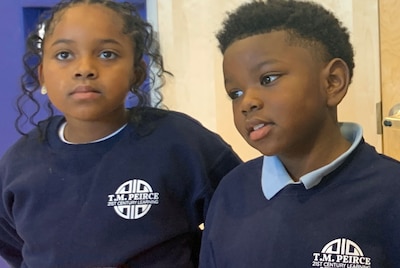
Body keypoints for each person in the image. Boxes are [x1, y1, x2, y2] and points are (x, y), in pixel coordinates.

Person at [0, 0, 242, 267]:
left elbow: (243, 216)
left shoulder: (180, 143)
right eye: (65, 55)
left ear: (137, 74)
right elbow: (15, 245)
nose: (85, 69)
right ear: (42, 75)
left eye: (107, 54)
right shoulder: (19, 163)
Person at [199, 0, 400, 267]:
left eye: (268, 79)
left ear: (332, 82)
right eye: (235, 93)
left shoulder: (391, 192)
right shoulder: (231, 192)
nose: (247, 102)